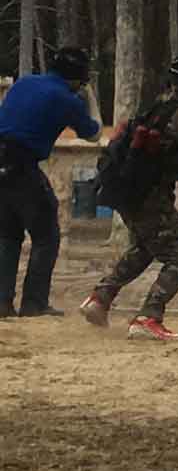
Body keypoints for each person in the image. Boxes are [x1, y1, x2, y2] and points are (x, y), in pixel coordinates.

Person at [80, 54, 178, 341]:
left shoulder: (158, 106)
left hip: (126, 189)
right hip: (149, 193)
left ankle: (101, 297)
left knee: (146, 247)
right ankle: (148, 316)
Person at [0, 48, 100, 318]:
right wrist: (88, 95)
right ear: (79, 78)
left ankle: (2, 303)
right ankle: (34, 304)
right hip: (22, 164)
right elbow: (94, 134)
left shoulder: (25, 82)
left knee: (8, 236)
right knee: (46, 235)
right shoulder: (67, 99)